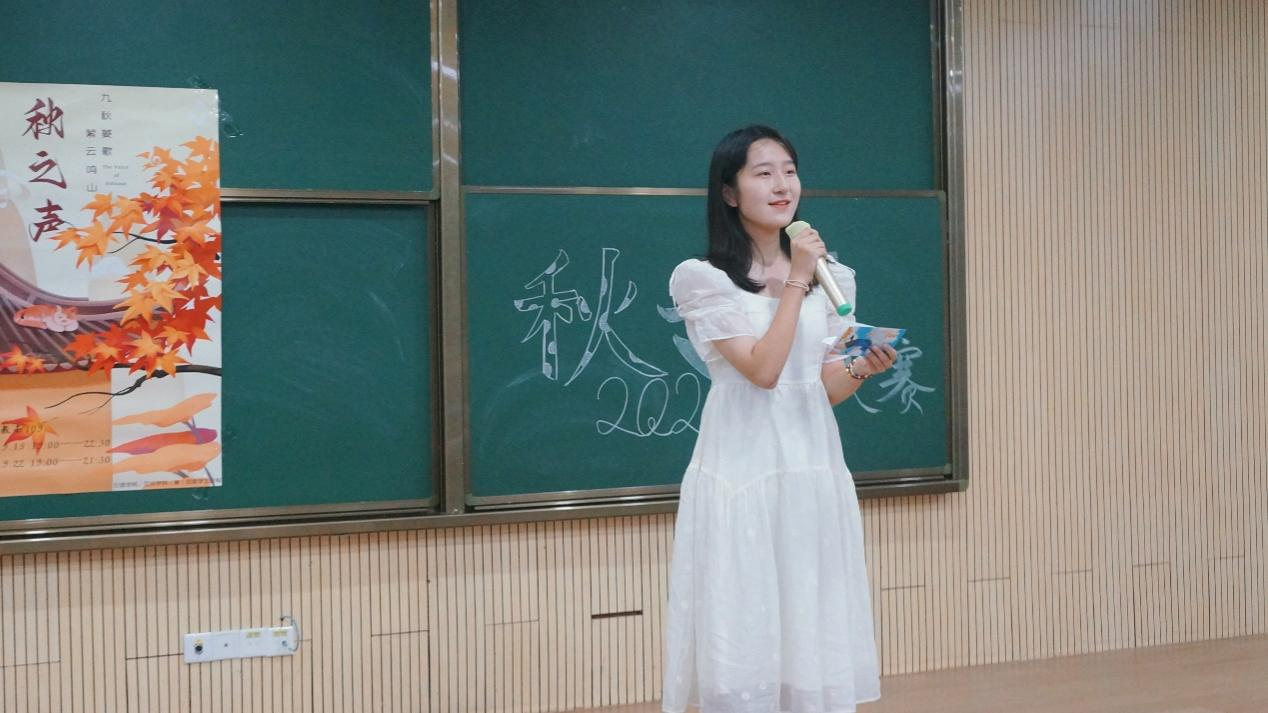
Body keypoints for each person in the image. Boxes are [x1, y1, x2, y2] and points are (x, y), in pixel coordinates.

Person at [662, 125, 897, 713]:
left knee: (809, 622)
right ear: (730, 192)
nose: (782, 185)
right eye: (763, 173)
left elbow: (821, 389)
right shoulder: (703, 278)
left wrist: (862, 367)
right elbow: (763, 371)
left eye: (789, 171)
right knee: (746, 624)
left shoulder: (833, 278)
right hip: (742, 471)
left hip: (811, 467)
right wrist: (797, 278)